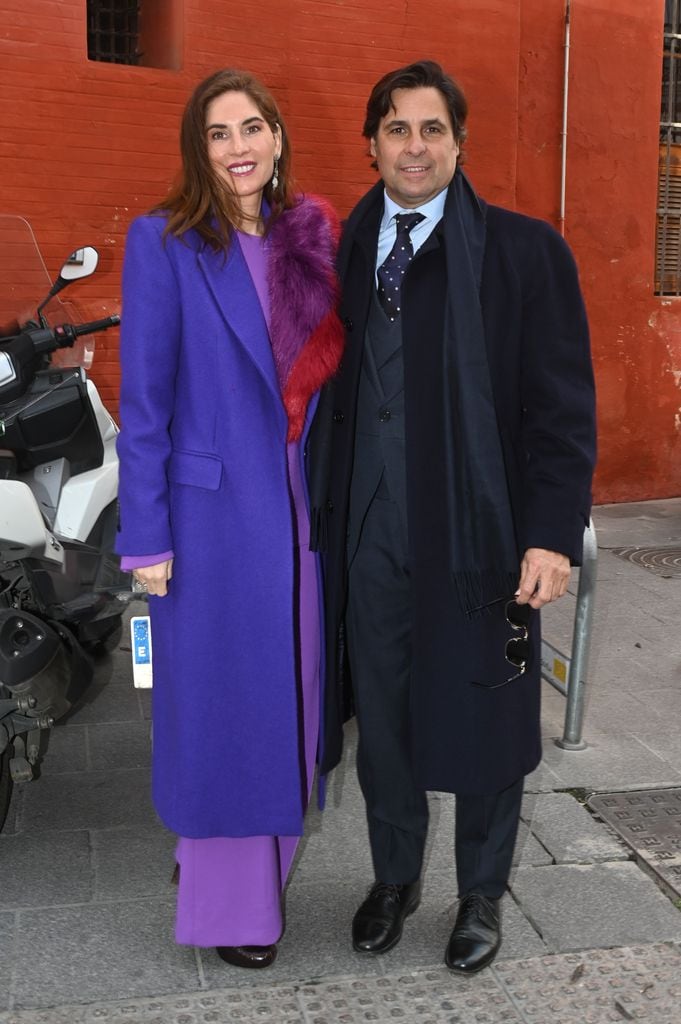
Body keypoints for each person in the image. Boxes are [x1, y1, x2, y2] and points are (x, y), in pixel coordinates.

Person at [308, 60, 596, 974]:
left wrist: (551, 532)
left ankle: (480, 891)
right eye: (396, 129)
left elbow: (559, 409)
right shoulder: (338, 254)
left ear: (458, 142)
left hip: (482, 537)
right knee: (385, 718)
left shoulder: (523, 252)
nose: (415, 146)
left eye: (432, 129)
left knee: (486, 713)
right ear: (371, 145)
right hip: (366, 531)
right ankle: (394, 878)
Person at [115, 68, 343, 969]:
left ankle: (236, 864)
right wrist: (147, 538)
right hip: (208, 523)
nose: (239, 146)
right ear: (197, 148)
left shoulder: (309, 241)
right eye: (219, 133)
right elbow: (144, 404)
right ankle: (233, 907)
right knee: (228, 712)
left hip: (297, 513)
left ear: (279, 137)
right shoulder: (164, 242)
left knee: (294, 699)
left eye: (253, 127)